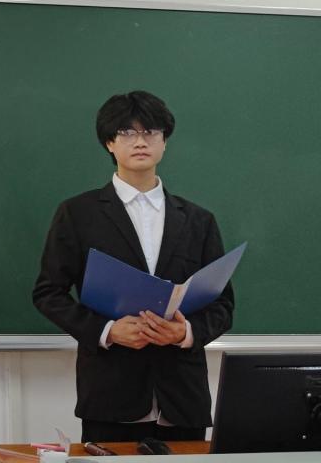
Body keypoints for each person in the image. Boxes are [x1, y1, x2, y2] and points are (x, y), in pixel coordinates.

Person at [32, 90, 234, 442]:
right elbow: (48, 293)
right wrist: (108, 331)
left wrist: (185, 333)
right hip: (110, 395)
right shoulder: (78, 214)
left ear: (164, 142)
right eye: (127, 132)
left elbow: (222, 305)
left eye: (151, 132)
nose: (140, 141)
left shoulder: (198, 220)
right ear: (109, 143)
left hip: (182, 399)